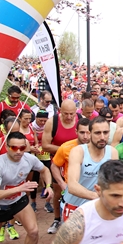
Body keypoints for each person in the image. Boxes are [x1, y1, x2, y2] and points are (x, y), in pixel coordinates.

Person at [0, 132, 54, 244]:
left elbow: (45, 170)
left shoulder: (29, 159)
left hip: (18, 201)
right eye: (14, 148)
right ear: (7, 147)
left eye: (22, 148)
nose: (19, 151)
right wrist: (20, 188)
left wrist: (48, 187)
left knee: (33, 231)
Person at [57, 116, 119, 226]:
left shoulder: (113, 152)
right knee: (74, 242)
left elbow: (113, 182)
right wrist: (98, 196)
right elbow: (72, 186)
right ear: (89, 133)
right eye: (97, 133)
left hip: (98, 209)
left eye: (105, 132)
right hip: (74, 208)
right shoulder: (78, 152)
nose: (102, 137)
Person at [42, 100, 80, 234]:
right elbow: (45, 145)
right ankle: (57, 219)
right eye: (65, 114)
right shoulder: (52, 122)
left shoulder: (80, 120)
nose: (69, 117)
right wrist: (65, 150)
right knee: (58, 192)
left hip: (76, 162)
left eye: (72, 114)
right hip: (58, 162)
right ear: (60, 112)